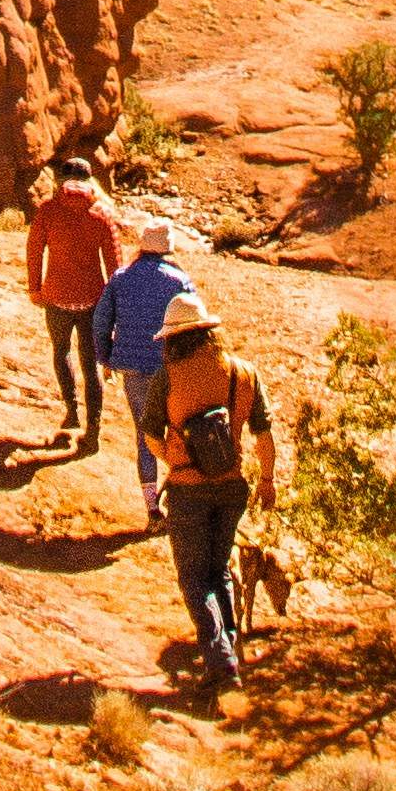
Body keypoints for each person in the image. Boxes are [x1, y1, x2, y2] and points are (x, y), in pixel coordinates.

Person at [151, 294, 275, 691]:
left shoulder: (169, 376)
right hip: (232, 488)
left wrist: (173, 459)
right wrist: (268, 480)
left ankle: (220, 661)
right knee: (218, 571)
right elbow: (264, 434)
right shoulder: (243, 373)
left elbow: (150, 433)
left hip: (188, 491)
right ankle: (229, 654)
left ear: (173, 339)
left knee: (192, 579)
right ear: (210, 331)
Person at [94, 211, 199, 525]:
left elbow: (100, 324)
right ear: (168, 248)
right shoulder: (180, 280)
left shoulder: (121, 278)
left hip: (135, 370)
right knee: (180, 433)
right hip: (173, 370)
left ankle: (153, 509)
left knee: (146, 436)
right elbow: (197, 324)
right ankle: (182, 502)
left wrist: (107, 359)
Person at [22, 152, 121, 449]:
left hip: (56, 296)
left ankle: (72, 412)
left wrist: (34, 288)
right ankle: (93, 431)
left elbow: (34, 251)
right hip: (93, 301)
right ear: (90, 183)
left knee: (61, 350)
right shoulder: (102, 215)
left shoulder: (48, 211)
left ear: (60, 182)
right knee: (91, 365)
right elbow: (115, 263)